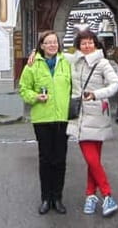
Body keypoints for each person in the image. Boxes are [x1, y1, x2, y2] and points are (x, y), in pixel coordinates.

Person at [66, 29, 118, 217]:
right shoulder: (74, 60)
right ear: (78, 45)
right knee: (92, 159)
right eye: (83, 43)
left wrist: (97, 95)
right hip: (79, 116)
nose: (87, 45)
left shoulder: (102, 63)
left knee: (92, 159)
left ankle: (102, 195)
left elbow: (115, 84)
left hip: (96, 114)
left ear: (96, 44)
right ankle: (95, 195)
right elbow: (56, 52)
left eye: (90, 42)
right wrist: (35, 53)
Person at [18, 30, 72, 215]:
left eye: (55, 42)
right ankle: (45, 198)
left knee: (60, 160)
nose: (52, 45)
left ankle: (57, 198)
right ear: (41, 45)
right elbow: (24, 89)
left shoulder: (67, 63)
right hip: (42, 119)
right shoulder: (32, 65)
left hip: (62, 118)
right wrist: (35, 96)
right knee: (45, 159)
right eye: (48, 42)